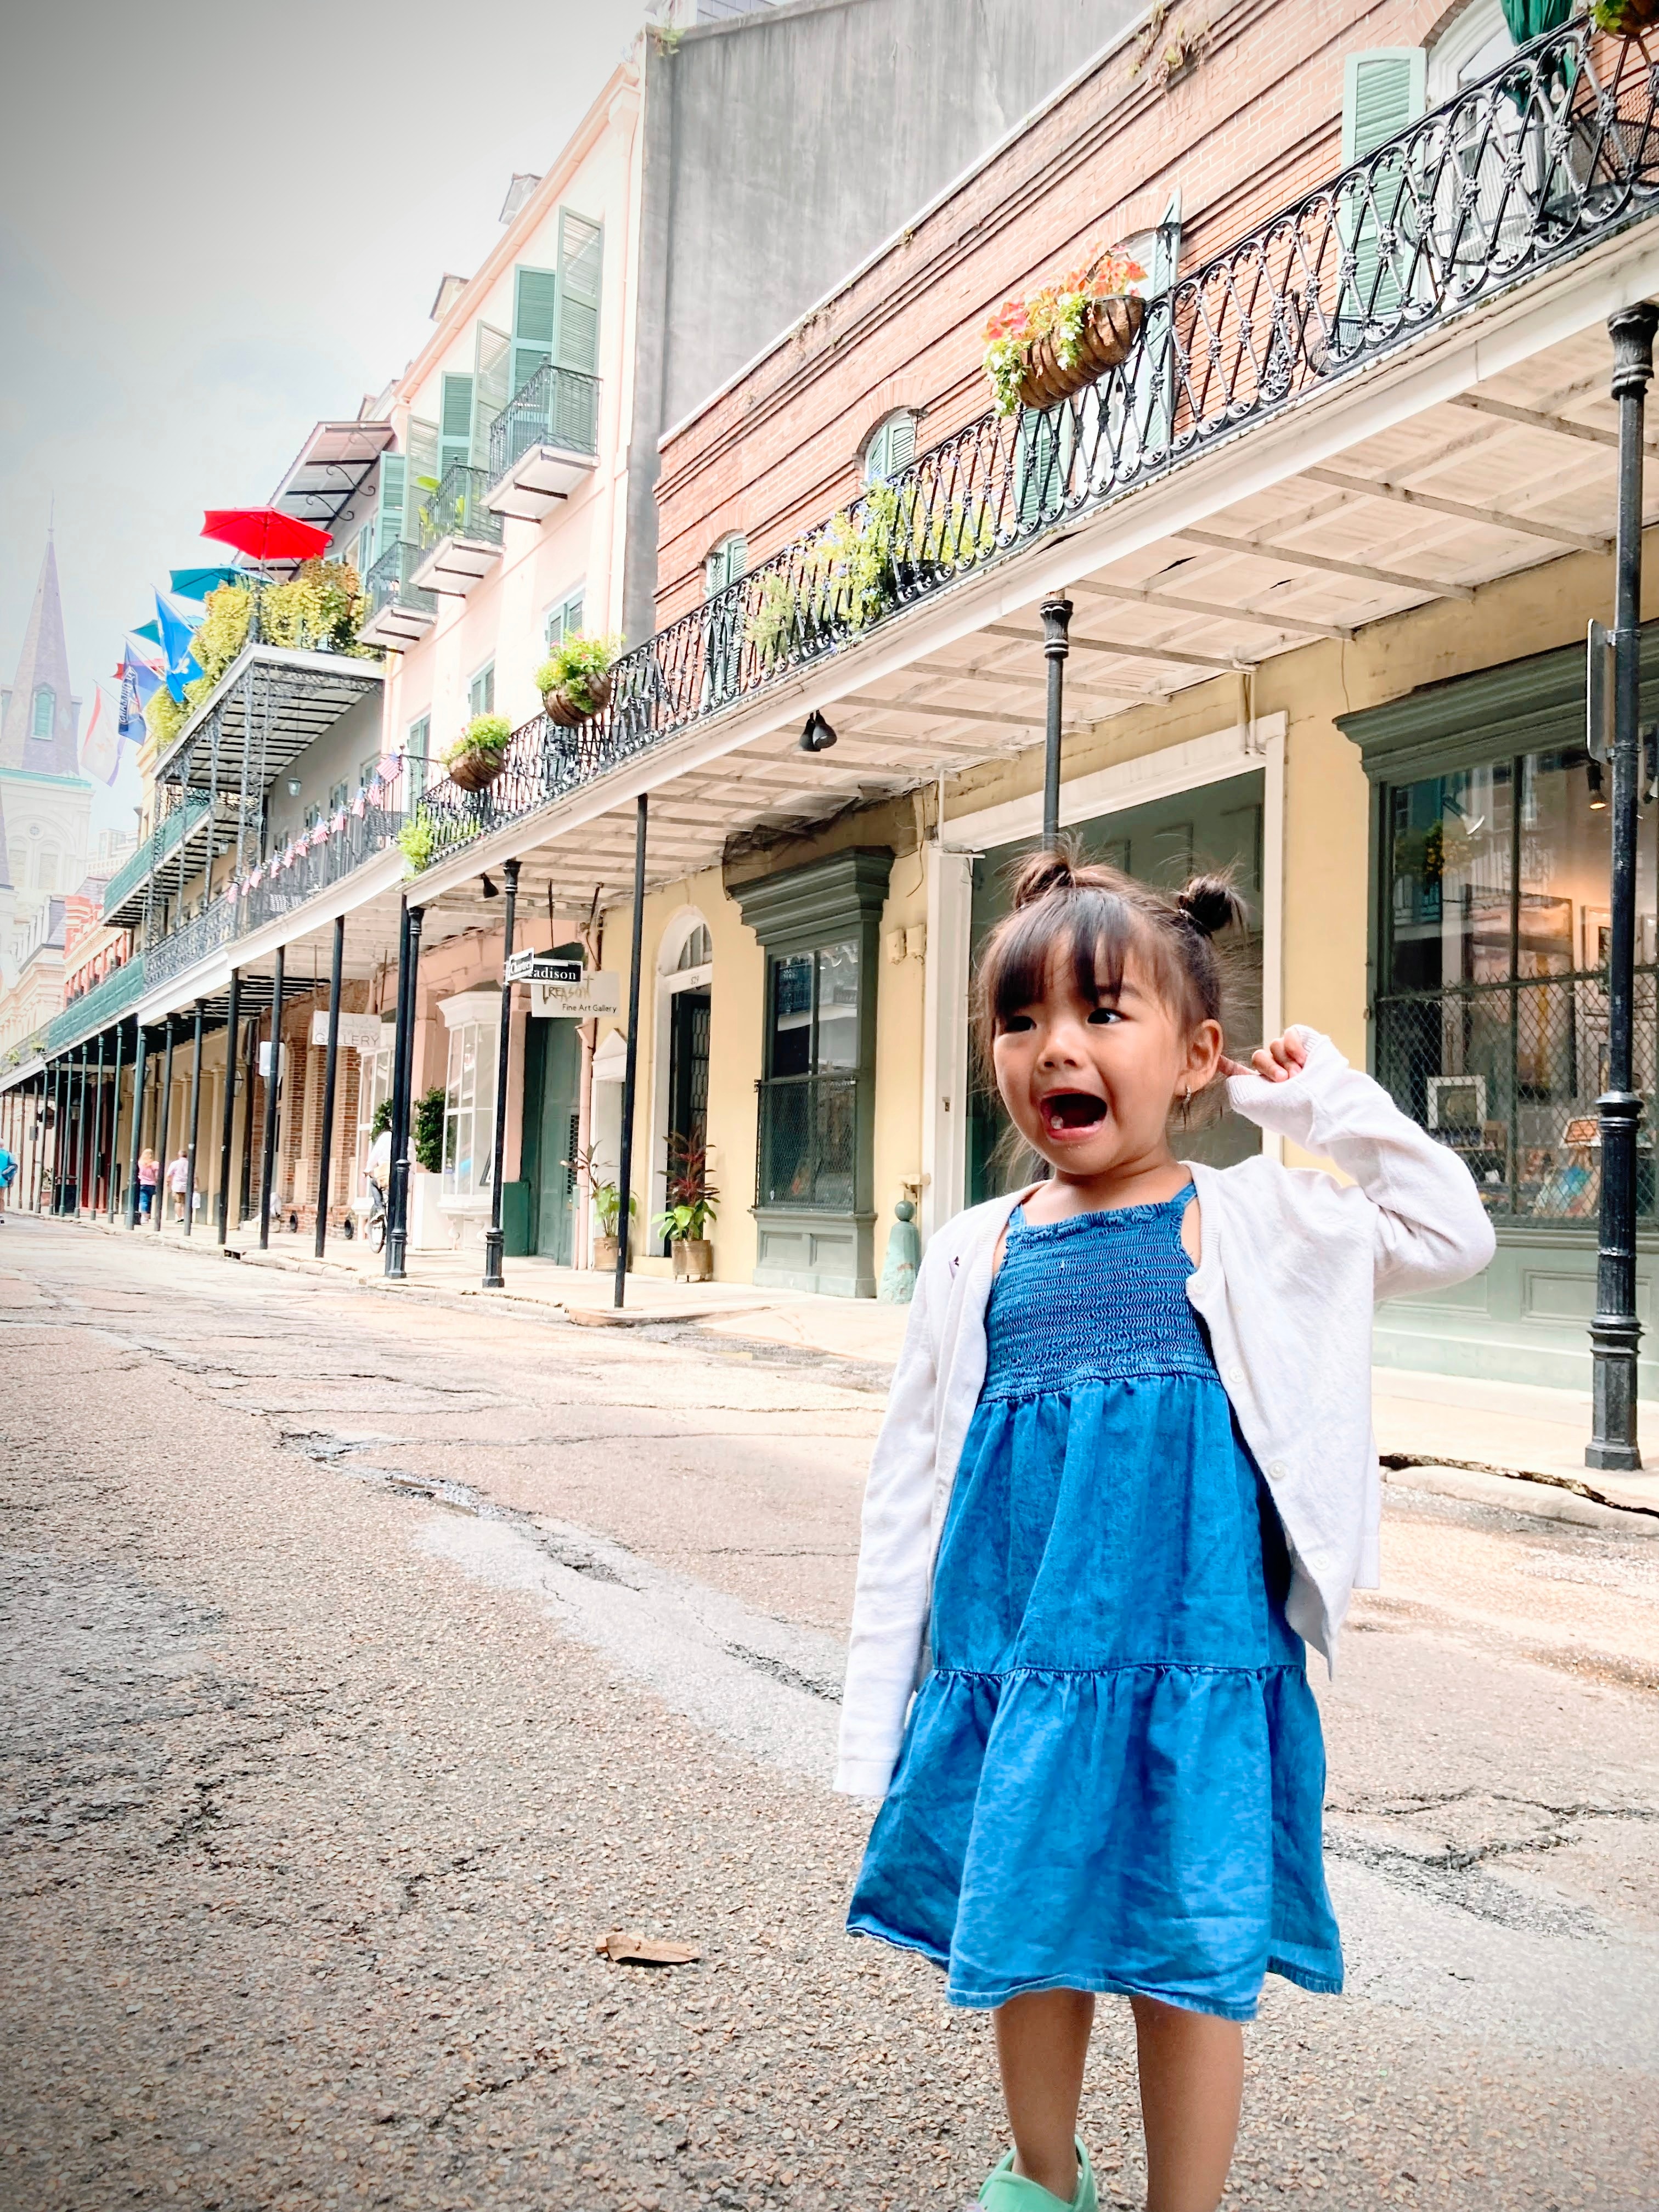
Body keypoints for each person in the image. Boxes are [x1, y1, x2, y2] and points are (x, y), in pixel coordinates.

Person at [837, 853, 1495, 2212]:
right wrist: (884, 1699)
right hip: (1021, 1655)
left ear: (1198, 1055)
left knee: (1192, 1956)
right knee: (1029, 1926)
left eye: (1100, 1015)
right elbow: (911, 1479)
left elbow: (1451, 1229)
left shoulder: (1261, 1217)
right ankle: (1040, 2179)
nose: (1054, 1049)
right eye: (1019, 1022)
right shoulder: (977, 1248)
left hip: (1195, 1656)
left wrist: (1321, 1104)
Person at [166, 1150, 190, 1222]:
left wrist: (168, 1182)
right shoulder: (190, 1164)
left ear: (179, 1156)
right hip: (187, 1186)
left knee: (178, 1202)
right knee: (186, 1203)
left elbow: (169, 1174)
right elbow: (195, 1176)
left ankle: (180, 1217)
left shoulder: (175, 1163)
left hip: (177, 1186)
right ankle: (186, 1218)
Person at [136, 1148, 159, 1221]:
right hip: (152, 1184)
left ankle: (144, 1217)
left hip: (143, 1183)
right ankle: (147, 1216)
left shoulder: (140, 1163)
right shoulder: (155, 1164)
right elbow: (157, 1175)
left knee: (143, 1200)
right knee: (149, 1201)